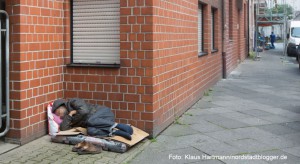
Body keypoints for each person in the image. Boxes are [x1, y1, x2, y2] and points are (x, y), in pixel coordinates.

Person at [52, 98, 133, 140]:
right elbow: (64, 128)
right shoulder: (68, 117)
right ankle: (115, 132)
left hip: (103, 113)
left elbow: (84, 111)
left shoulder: (72, 102)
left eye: (58, 112)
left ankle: (119, 125)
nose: (59, 115)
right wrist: (70, 115)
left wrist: (73, 120)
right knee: (90, 131)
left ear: (61, 105)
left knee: (90, 121)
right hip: (98, 123)